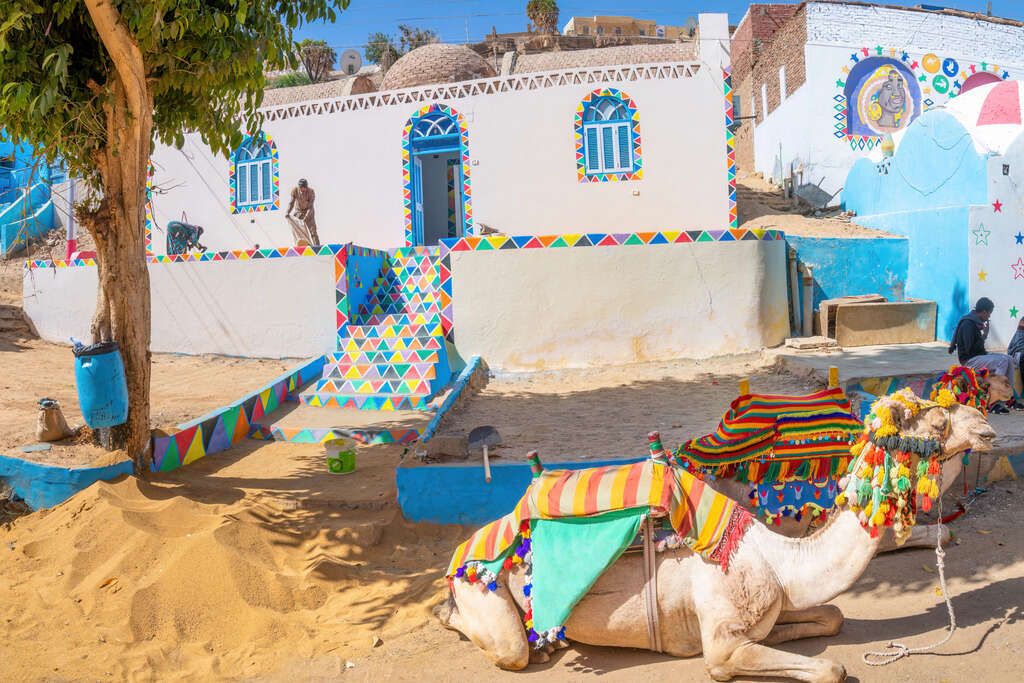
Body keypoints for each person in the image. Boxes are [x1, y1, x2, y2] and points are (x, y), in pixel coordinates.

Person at [949, 297, 1018, 412]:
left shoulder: (974, 322)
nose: (989, 317)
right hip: (969, 360)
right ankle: (992, 400)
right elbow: (969, 349)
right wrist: (984, 336)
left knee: (1009, 359)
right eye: (989, 314)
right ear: (984, 312)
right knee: (1002, 361)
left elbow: (978, 348)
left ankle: (1007, 397)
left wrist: (983, 337)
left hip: (979, 356)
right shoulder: (968, 324)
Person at [286, 178, 320, 247]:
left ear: (306, 187)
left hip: (309, 213)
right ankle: (300, 244)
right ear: (299, 187)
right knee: (296, 228)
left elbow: (310, 207)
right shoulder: (294, 191)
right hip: (298, 212)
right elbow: (291, 203)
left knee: (313, 232)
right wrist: (287, 212)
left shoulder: (311, 192)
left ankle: (317, 247)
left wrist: (306, 218)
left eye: (304, 188)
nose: (303, 189)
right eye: (301, 188)